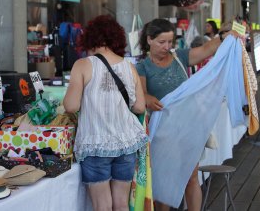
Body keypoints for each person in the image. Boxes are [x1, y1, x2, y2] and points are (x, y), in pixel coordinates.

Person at [135, 18, 237, 211]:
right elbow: (142, 94)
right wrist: (148, 98)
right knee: (163, 179)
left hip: (188, 128)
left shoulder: (179, 56)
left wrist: (223, 36)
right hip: (163, 134)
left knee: (191, 176)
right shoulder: (143, 67)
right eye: (161, 42)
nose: (167, 47)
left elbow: (207, 49)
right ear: (149, 40)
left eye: (170, 42)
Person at [63, 15, 147, 211]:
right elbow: (140, 107)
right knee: (121, 204)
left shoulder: (83, 65)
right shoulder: (129, 67)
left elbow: (70, 106)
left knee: (102, 206)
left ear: (90, 38)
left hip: (95, 144)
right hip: (126, 144)